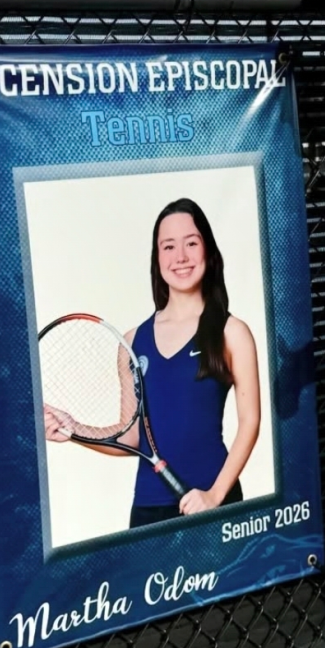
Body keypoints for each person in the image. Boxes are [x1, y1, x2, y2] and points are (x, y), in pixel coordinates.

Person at [44, 198, 260, 528]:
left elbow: (250, 422)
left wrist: (215, 495)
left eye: (191, 243)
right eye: (168, 246)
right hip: (148, 511)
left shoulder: (232, 333)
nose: (181, 257)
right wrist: (73, 430)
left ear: (208, 252)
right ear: (157, 258)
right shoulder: (131, 342)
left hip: (215, 502)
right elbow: (131, 436)